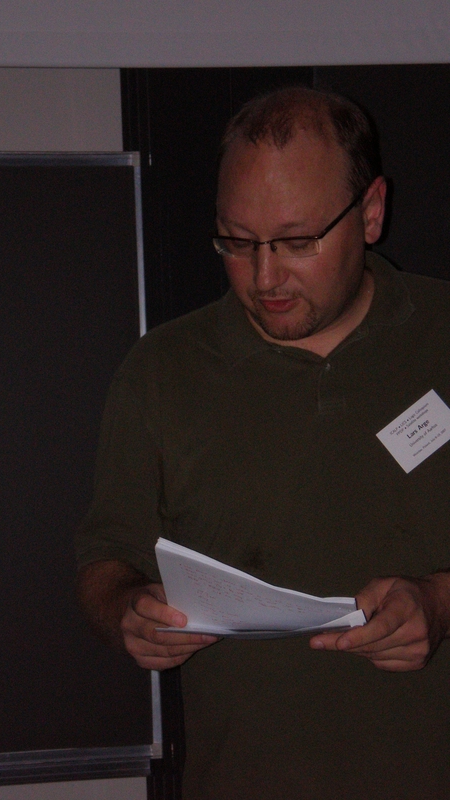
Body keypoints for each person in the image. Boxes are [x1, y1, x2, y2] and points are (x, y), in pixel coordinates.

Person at [76, 87, 450, 799]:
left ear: (371, 212)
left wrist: (438, 602)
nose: (265, 276)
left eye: (298, 241)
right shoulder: (162, 372)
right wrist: (129, 609)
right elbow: (104, 558)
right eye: (237, 241)